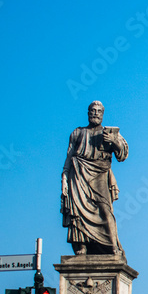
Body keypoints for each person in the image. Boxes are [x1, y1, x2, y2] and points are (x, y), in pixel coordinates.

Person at [61, 101, 128, 255]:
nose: (95, 113)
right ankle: (82, 245)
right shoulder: (77, 133)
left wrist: (114, 142)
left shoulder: (109, 133)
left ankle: (113, 246)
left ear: (103, 114)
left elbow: (123, 155)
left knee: (105, 209)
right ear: (88, 113)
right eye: (93, 110)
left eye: (99, 111)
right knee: (78, 210)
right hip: (78, 175)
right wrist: (64, 178)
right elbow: (69, 156)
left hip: (100, 175)